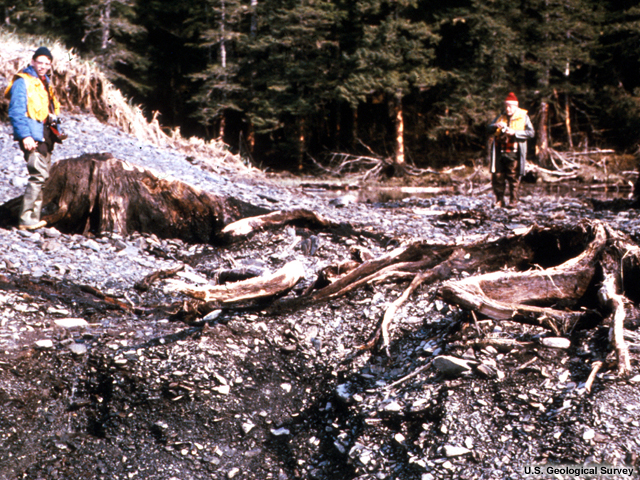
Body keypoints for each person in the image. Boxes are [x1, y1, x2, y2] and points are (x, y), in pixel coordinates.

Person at [4, 46, 62, 230]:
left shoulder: (45, 82)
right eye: (40, 62)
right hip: (32, 134)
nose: (43, 66)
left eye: (47, 63)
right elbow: (15, 112)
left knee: (43, 177)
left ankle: (34, 217)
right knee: (38, 175)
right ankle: (27, 220)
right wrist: (25, 136)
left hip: (46, 134)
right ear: (32, 62)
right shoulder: (23, 82)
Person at [488, 92, 534, 207]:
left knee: (513, 176)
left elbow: (531, 133)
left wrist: (515, 133)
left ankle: (513, 201)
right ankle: (499, 200)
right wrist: (494, 126)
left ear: (516, 106)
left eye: (510, 106)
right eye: (506, 106)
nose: (507, 109)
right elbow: (488, 128)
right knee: (497, 176)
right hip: (499, 151)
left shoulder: (524, 117)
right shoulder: (501, 116)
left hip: (514, 152)